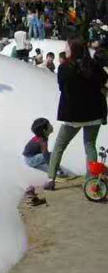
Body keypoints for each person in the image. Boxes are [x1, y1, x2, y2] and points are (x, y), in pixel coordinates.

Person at [46, 38, 108, 190]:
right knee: (90, 146)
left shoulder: (65, 67)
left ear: (73, 49)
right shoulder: (93, 66)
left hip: (73, 116)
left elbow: (62, 87)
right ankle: (91, 180)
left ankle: (51, 179)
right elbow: (104, 80)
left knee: (60, 145)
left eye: (67, 46)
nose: (65, 48)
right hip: (94, 114)